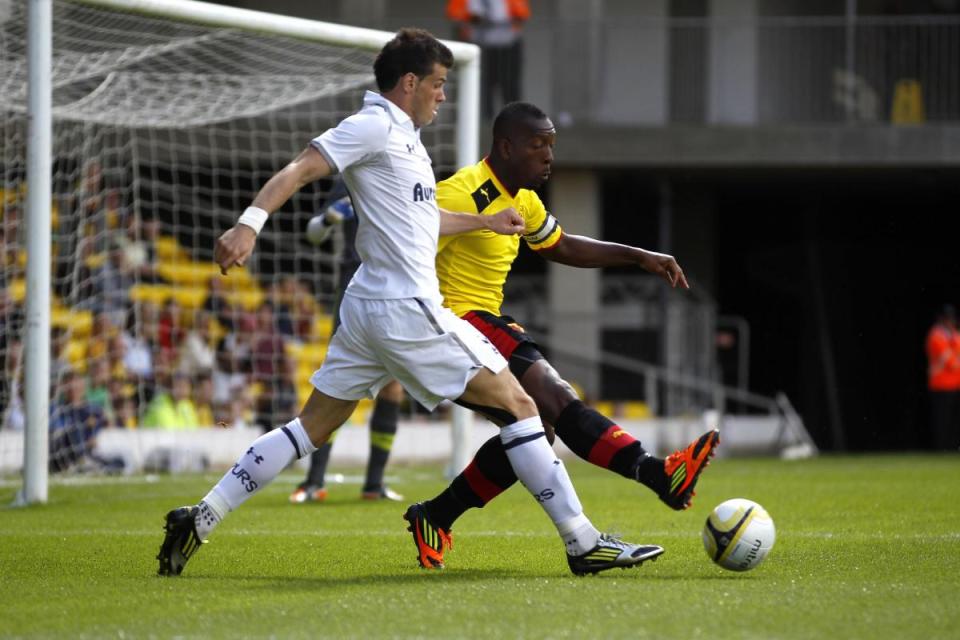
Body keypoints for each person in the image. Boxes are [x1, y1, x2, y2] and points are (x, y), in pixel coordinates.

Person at [157, 28, 661, 578]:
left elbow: (421, 219)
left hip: (366, 309)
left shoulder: (405, 140)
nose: (443, 95)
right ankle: (582, 542)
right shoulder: (373, 125)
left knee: (311, 428)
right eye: (439, 84)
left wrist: (484, 221)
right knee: (524, 408)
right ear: (410, 82)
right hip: (404, 306)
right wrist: (248, 224)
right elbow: (304, 165)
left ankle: (201, 516)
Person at [404, 102, 719, 568]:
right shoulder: (461, 192)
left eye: (551, 145)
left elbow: (562, 246)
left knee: (538, 430)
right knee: (553, 398)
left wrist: (638, 255)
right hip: (455, 324)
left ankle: (435, 515)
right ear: (506, 147)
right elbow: (408, 238)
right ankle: (658, 475)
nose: (549, 156)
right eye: (538, 146)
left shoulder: (525, 200)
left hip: (481, 325)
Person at [289, 185, 405, 503]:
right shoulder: (348, 181)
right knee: (339, 379)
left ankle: (374, 484)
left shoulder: (404, 173)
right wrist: (330, 216)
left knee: (394, 384)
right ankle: (314, 481)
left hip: (396, 287)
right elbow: (314, 235)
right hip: (354, 286)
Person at [447, 0, 530, 118]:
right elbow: (458, 19)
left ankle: (514, 120)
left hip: (507, 45)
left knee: (509, 85)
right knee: (477, 85)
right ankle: (479, 119)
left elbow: (520, 17)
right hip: (475, 46)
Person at [925, 304, 960, 450]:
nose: (950, 322)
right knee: (943, 421)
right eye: (947, 319)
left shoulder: (955, 335)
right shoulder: (936, 336)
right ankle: (943, 449)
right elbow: (951, 362)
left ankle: (954, 447)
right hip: (941, 385)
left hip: (956, 384)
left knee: (955, 421)